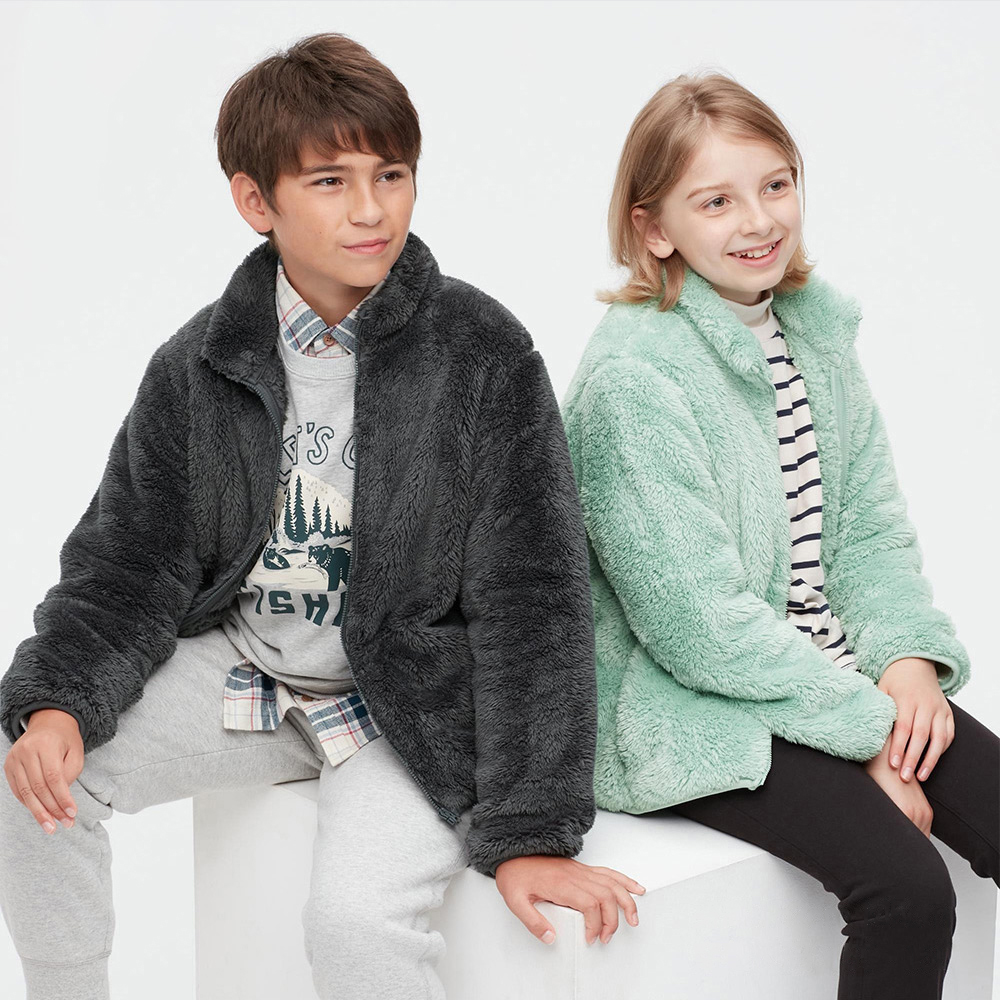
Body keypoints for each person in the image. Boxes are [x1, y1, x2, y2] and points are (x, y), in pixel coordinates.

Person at [0, 33, 642, 1000]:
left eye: (392, 175)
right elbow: (127, 563)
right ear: (256, 201)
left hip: (407, 706)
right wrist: (58, 700)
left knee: (353, 925)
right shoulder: (199, 365)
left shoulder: (482, 354)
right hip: (248, 675)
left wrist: (529, 831)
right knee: (25, 770)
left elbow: (534, 600)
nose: (371, 209)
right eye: (330, 182)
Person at [560, 71, 998, 998]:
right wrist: (867, 732)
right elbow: (697, 627)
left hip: (832, 680)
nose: (759, 221)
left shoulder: (815, 336)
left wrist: (907, 664)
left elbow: (869, 534)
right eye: (715, 201)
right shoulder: (635, 380)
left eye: (775, 185)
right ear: (654, 228)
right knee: (906, 891)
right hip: (695, 707)